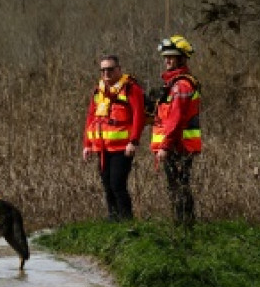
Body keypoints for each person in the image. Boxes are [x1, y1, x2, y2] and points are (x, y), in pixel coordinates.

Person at [82, 54, 145, 221]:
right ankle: (113, 220)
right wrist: (87, 144)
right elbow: (91, 118)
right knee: (107, 186)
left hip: (122, 147)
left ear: (119, 69)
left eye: (110, 69)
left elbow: (139, 116)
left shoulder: (131, 88)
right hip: (102, 147)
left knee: (118, 184)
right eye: (103, 70)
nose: (106, 73)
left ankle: (126, 221)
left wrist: (134, 141)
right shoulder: (99, 90)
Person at [150, 35, 203, 227]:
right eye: (166, 57)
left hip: (179, 146)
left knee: (179, 187)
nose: (167, 61)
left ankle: (184, 226)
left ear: (182, 59)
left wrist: (164, 146)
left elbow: (176, 119)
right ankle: (183, 225)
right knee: (176, 186)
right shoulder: (173, 83)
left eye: (171, 57)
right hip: (177, 144)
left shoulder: (181, 85)